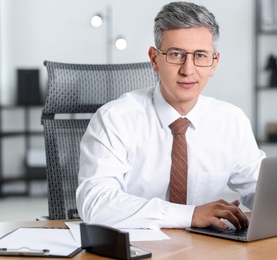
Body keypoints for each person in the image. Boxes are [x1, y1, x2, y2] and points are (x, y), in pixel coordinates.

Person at [76, 1, 265, 230]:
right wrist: (189, 215)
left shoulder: (231, 121)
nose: (188, 69)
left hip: (206, 249)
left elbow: (262, 189)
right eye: (176, 54)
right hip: (134, 248)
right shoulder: (114, 119)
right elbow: (95, 203)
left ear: (214, 63)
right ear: (155, 59)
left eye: (201, 56)